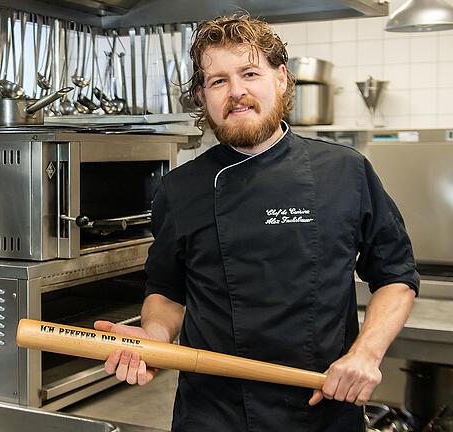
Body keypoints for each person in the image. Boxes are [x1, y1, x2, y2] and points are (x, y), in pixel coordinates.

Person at [95, 14, 418, 432]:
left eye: (250, 73)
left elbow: (395, 275)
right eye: (218, 81)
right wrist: (154, 340)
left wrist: (366, 355)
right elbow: (167, 290)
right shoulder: (179, 188)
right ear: (201, 95)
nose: (237, 92)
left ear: (281, 79)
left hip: (320, 407)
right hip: (213, 415)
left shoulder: (345, 171)